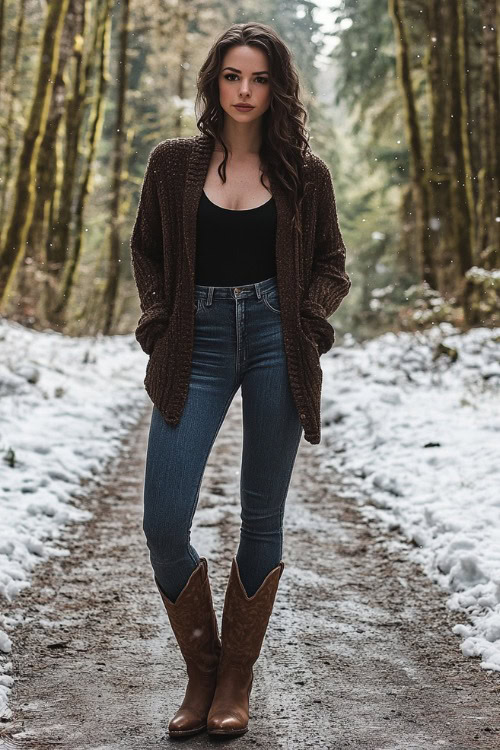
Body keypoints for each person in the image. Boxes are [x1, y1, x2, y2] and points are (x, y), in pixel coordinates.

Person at [130, 22, 351, 739]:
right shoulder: (172, 165)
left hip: (271, 337)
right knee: (164, 521)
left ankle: (234, 679)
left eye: (258, 78)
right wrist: (160, 325)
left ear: (277, 86)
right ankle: (201, 667)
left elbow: (330, 266)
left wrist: (307, 323)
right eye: (232, 76)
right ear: (214, 82)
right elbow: (149, 253)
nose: (245, 91)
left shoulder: (304, 174)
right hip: (193, 342)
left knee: (262, 516)